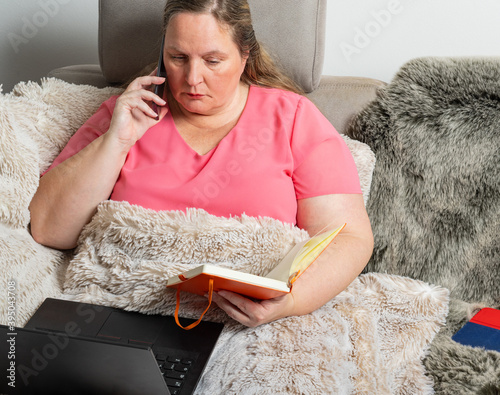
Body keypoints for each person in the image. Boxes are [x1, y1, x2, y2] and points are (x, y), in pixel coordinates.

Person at [29, 0, 373, 328]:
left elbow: (348, 237)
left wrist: (292, 302)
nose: (192, 78)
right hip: (125, 315)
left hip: (244, 323)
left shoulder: (293, 118)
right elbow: (48, 229)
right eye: (178, 57)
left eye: (212, 61)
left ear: (245, 55)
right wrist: (116, 141)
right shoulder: (127, 114)